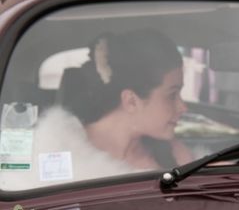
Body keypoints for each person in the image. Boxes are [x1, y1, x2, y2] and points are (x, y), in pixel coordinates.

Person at [0, 29, 191, 190]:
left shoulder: (174, 154)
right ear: (131, 101)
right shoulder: (53, 154)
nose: (183, 107)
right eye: (172, 95)